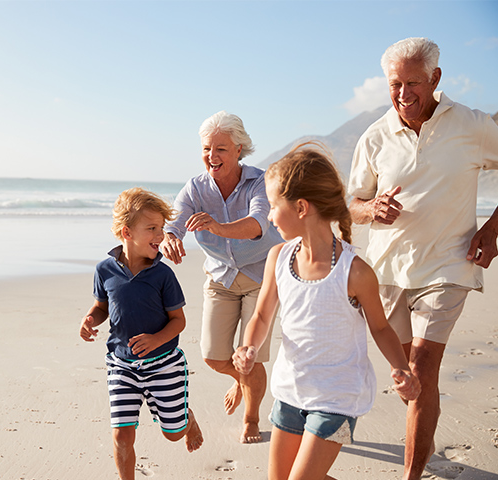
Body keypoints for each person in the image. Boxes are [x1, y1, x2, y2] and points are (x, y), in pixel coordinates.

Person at [347, 37, 498, 480]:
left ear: (436, 78)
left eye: (412, 84)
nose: (403, 95)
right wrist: (371, 210)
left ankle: (411, 475)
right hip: (387, 272)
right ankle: (425, 423)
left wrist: (493, 228)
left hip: (449, 264)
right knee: (410, 382)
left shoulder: (473, 125)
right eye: (394, 85)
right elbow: (351, 203)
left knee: (421, 370)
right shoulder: (375, 136)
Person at [232, 144, 421, 480]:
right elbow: (262, 316)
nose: (270, 216)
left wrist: (401, 368)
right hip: (291, 390)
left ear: (301, 207)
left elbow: (380, 328)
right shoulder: (278, 258)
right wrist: (249, 347)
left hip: (338, 398)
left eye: (274, 206)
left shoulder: (355, 272)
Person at [161, 111, 283, 443]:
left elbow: (259, 223)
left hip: (261, 277)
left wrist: (217, 226)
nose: (212, 157)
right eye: (206, 149)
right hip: (220, 279)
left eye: (221, 149)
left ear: (239, 149)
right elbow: (173, 222)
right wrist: (170, 238)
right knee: (214, 356)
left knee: (248, 355)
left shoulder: (260, 181)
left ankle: (252, 419)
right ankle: (241, 379)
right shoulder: (195, 188)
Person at [79, 187, 203, 480]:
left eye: (161, 228)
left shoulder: (163, 275)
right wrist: (90, 319)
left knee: (173, 434)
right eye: (152, 228)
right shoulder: (105, 270)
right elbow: (101, 307)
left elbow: (178, 320)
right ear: (127, 232)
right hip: (121, 364)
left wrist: (157, 339)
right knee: (122, 434)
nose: (160, 235)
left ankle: (187, 418)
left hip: (164, 364)